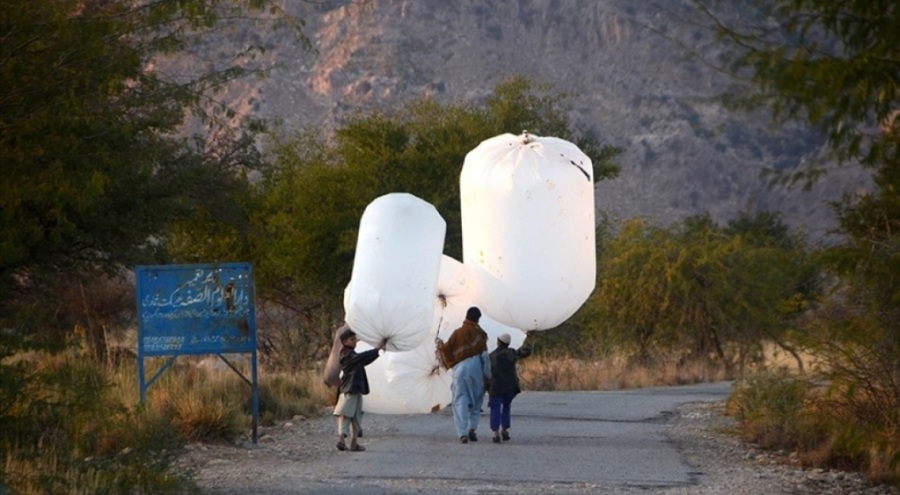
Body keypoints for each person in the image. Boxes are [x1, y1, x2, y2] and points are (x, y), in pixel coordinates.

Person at [437, 306, 492, 444]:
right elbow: (485, 356)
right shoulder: (481, 334)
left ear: (466, 316)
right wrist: (488, 375)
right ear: (478, 319)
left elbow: (446, 349)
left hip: (460, 370)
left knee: (460, 400)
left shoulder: (457, 333)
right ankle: (472, 429)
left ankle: (462, 433)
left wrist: (439, 345)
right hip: (477, 369)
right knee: (477, 400)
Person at [333, 328, 384, 452]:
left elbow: (364, 359)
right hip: (349, 389)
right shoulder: (346, 354)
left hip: (355, 389)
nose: (355, 341)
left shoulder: (351, 354)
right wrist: (377, 349)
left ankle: (353, 443)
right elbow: (362, 358)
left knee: (356, 416)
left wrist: (377, 350)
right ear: (345, 341)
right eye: (352, 339)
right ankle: (341, 439)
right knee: (346, 414)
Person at [488, 331, 533, 443]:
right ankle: (505, 429)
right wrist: (530, 339)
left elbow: (486, 372)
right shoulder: (512, 353)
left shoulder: (491, 356)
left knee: (495, 408)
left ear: (498, 342)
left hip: (496, 386)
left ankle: (495, 432)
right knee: (506, 406)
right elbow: (525, 352)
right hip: (510, 386)